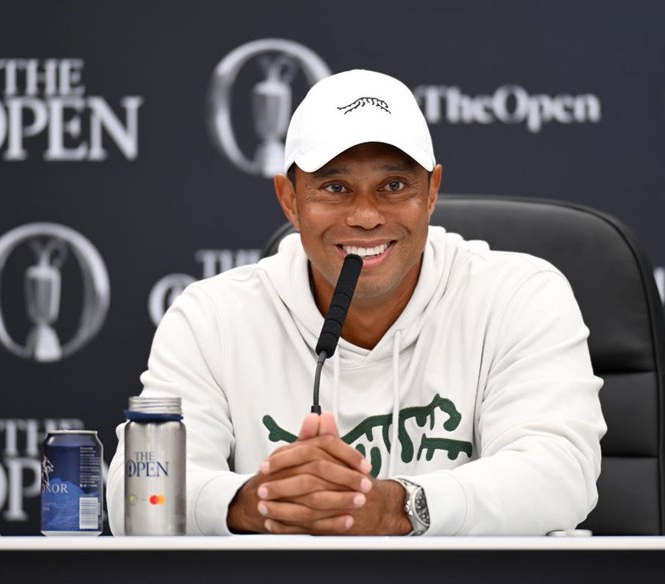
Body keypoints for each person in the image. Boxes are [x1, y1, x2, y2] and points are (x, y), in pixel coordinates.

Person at [107, 69, 606, 536]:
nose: (366, 216)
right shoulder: (211, 317)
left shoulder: (519, 295)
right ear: (290, 199)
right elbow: (133, 489)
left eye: (394, 186)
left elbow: (560, 471)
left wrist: (396, 508)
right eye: (335, 187)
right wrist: (256, 502)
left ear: (431, 191)